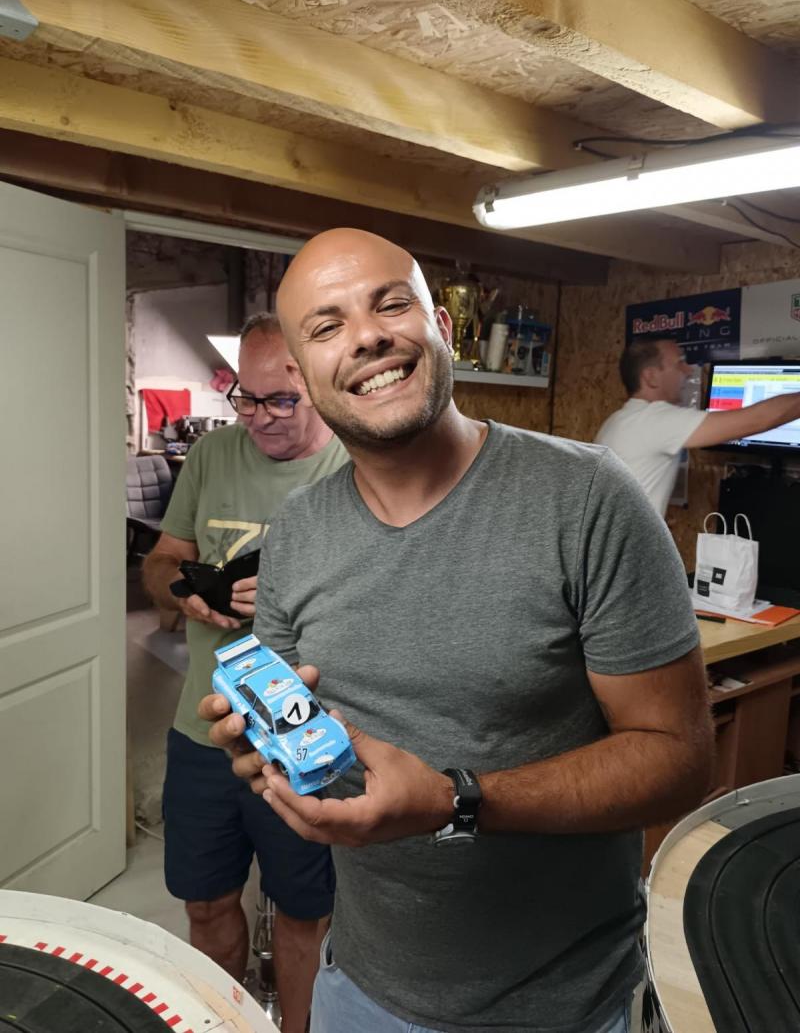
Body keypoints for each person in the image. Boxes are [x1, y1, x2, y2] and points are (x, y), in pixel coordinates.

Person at [200, 230, 714, 1033]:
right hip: (358, 988)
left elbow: (681, 760)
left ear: (441, 327)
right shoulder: (297, 530)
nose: (366, 337)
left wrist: (457, 800)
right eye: (327, 326)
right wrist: (262, 747)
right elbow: (300, 727)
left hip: (562, 1006)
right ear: (300, 372)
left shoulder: (587, 499)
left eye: (390, 305)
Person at [142, 313, 349, 1033]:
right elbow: (161, 561)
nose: (259, 417)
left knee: (304, 912)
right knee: (204, 902)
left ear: (315, 384)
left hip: (302, 736)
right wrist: (183, 591)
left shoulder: (355, 466)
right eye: (246, 398)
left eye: (279, 400)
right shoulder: (212, 455)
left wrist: (295, 594)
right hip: (202, 730)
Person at [595, 338, 800, 516]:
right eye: (680, 363)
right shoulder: (654, 419)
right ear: (651, 377)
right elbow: (758, 419)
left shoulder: (615, 421)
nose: (689, 370)